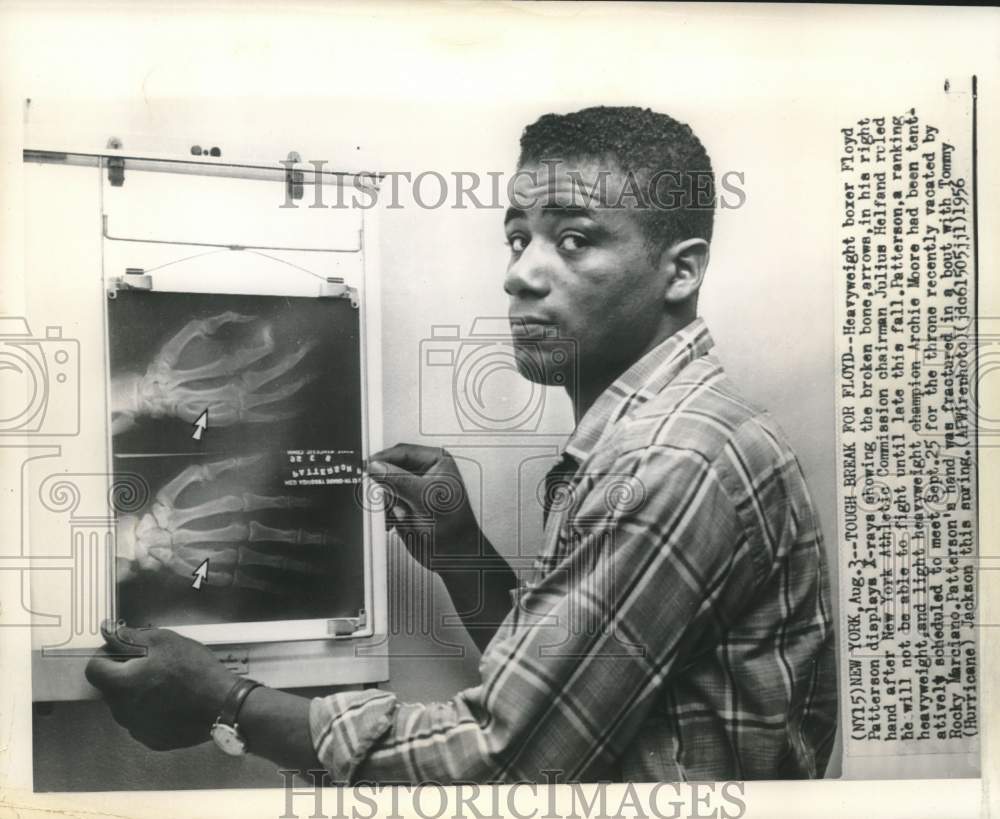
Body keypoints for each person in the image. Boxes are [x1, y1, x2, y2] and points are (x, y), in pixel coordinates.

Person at [86, 106, 837, 783]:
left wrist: (228, 701)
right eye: (517, 237)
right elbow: (570, 697)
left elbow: (508, 757)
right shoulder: (667, 429)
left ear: (681, 270)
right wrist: (463, 554)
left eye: (572, 239)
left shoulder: (673, 457)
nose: (519, 274)